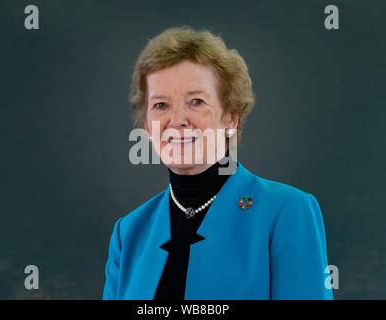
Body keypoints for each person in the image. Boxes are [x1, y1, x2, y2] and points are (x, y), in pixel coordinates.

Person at [102, 26, 334, 300]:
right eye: (161, 105)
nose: (177, 121)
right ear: (146, 124)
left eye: (196, 101)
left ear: (230, 119)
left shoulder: (286, 212)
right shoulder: (128, 233)